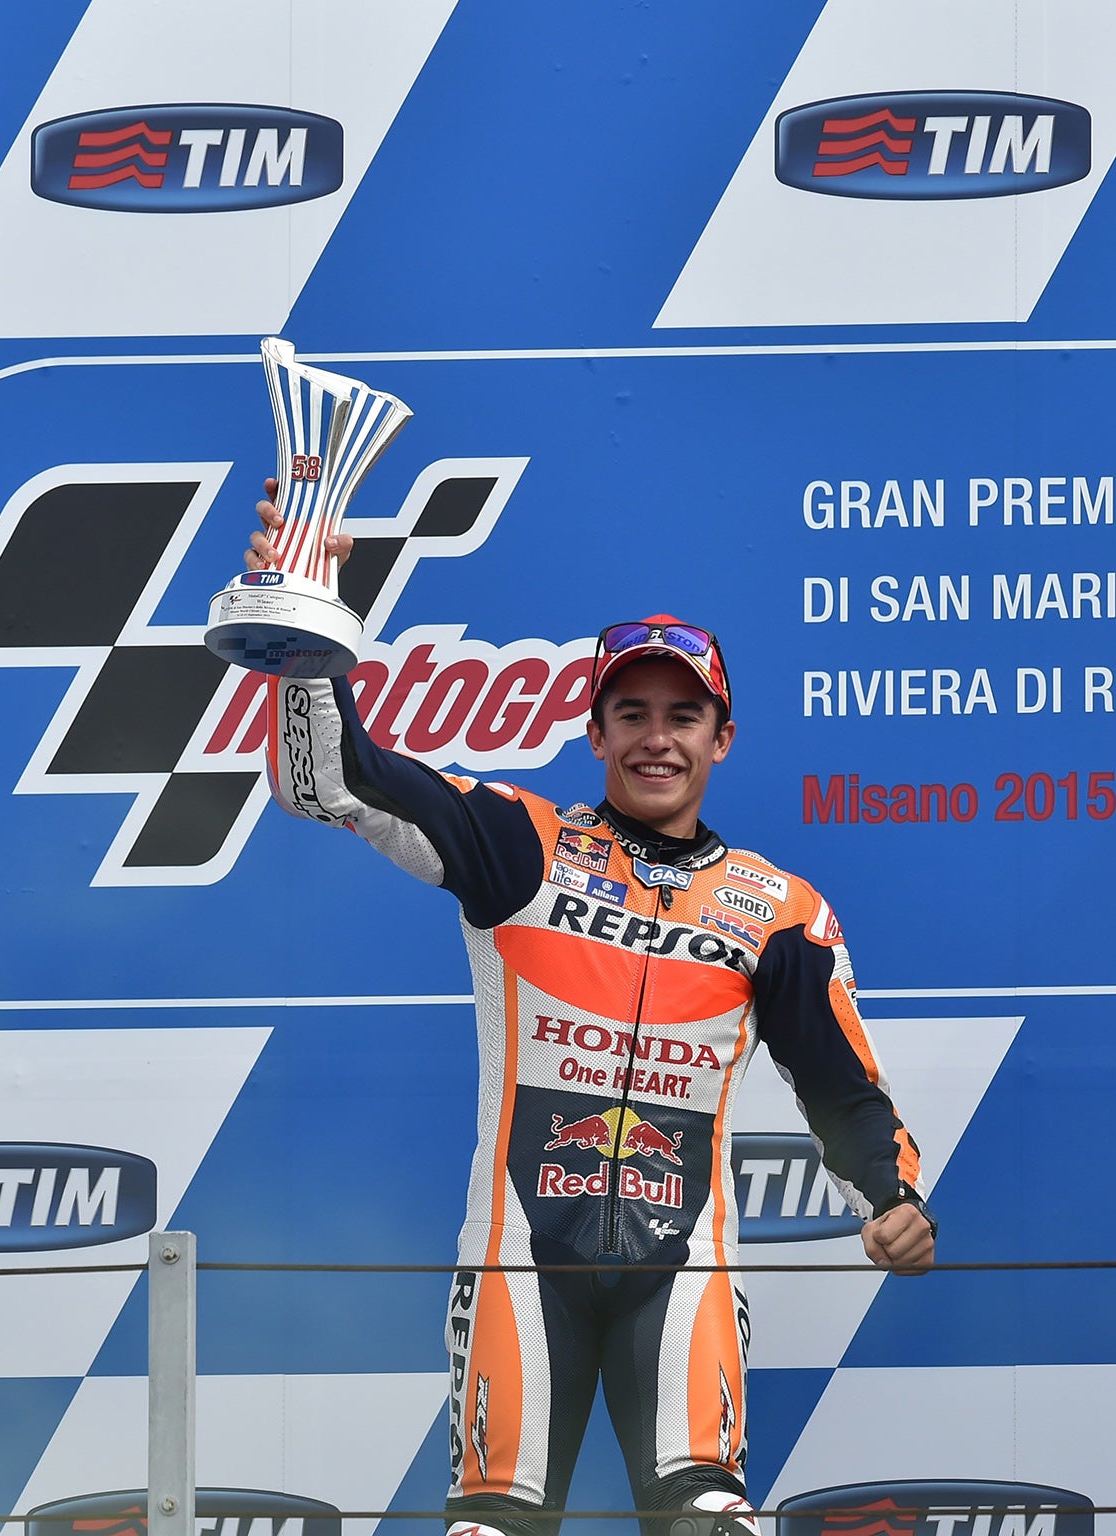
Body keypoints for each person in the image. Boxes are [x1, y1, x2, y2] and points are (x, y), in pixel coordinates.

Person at [247, 485, 935, 1536]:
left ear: (721, 737)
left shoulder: (778, 909)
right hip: (521, 1255)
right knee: (492, 1526)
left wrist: (887, 1195)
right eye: (631, 714)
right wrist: (306, 631)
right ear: (594, 731)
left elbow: (841, 1087)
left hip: (685, 1267)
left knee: (711, 1519)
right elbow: (328, 781)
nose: (655, 739)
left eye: (682, 716)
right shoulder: (519, 844)